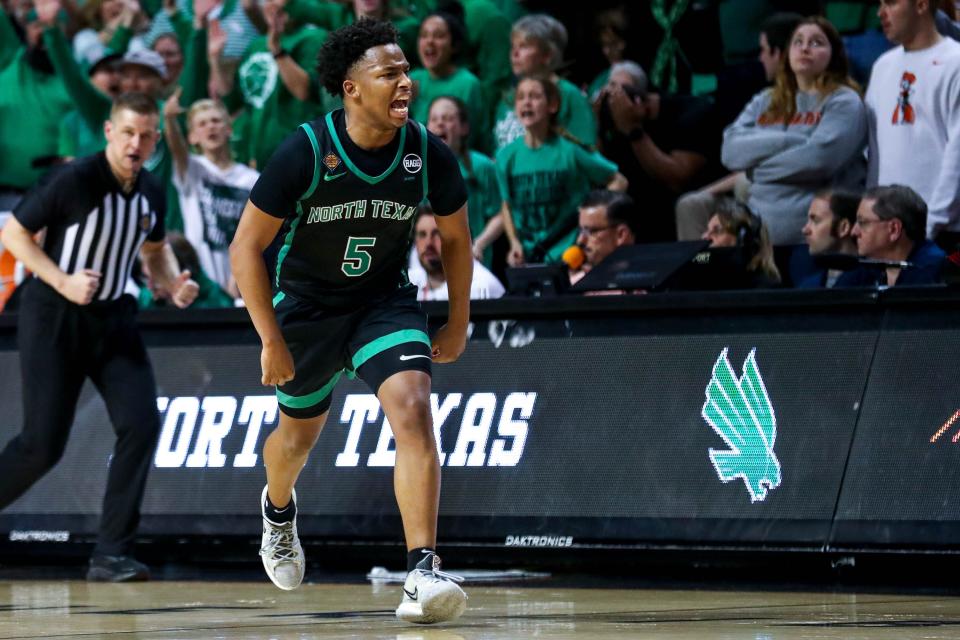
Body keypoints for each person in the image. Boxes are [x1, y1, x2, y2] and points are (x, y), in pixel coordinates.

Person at [229, 19, 472, 624]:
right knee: (294, 443)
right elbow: (245, 249)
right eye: (389, 72)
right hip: (306, 311)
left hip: (381, 303)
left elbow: (457, 240)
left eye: (406, 70)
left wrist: (458, 321)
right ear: (350, 88)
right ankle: (278, 513)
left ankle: (421, 570)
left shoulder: (423, 152)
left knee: (414, 407)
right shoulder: (306, 150)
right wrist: (270, 339)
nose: (405, 82)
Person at [0, 93, 199, 582]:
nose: (137, 143)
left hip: (113, 319)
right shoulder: (75, 179)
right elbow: (15, 235)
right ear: (109, 132)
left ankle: (111, 553)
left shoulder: (152, 190)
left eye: (146, 135)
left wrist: (173, 283)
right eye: (128, 132)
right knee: (41, 446)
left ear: (155, 138)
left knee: (142, 424)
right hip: (54, 316)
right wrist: (64, 280)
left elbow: (154, 250)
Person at [722, 16, 868, 246]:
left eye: (817, 42)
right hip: (759, 237)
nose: (805, 48)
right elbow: (730, 150)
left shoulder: (844, 101)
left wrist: (754, 173)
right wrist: (791, 140)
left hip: (812, 241)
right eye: (797, 42)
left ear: (834, 54)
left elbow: (819, 160)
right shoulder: (766, 100)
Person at [675, 12, 804, 242]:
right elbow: (732, 151)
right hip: (749, 181)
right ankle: (701, 268)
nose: (761, 58)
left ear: (780, 53)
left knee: (746, 185)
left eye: (764, 50)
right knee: (691, 204)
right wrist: (708, 191)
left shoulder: (813, 101)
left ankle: (754, 264)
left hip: (787, 192)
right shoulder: (764, 99)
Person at [498, 73, 627, 267]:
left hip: (569, 256)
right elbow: (506, 205)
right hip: (528, 258)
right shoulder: (505, 156)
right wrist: (514, 242)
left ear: (552, 105)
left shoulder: (570, 150)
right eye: (521, 97)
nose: (527, 102)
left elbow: (619, 181)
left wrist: (592, 216)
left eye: (534, 96)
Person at [865, 0, 960, 249]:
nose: (880, 12)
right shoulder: (881, 66)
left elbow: (958, 153)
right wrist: (871, 214)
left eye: (891, 3)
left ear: (920, 5)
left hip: (943, 232)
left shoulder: (955, 61)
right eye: (880, 3)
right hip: (887, 228)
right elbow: (874, 152)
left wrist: (933, 224)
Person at [597, 59, 721, 243]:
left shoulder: (692, 113)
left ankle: (699, 264)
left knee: (699, 260)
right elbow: (601, 173)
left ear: (639, 98)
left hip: (688, 228)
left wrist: (633, 130)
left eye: (624, 92)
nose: (618, 100)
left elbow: (677, 180)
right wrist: (597, 124)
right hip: (641, 228)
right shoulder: (617, 124)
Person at [164, 92, 260, 299]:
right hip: (201, 285)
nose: (210, 127)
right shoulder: (192, 170)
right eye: (202, 124)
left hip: (242, 282)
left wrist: (239, 276)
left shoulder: (252, 179)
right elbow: (177, 150)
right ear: (192, 137)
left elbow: (256, 233)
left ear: (229, 129)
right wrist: (169, 120)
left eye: (216, 121)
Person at [492, 13, 597, 153]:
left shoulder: (569, 95)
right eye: (513, 46)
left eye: (524, 46)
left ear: (547, 55)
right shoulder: (508, 98)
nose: (514, 53)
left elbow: (587, 152)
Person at [426, 96, 501, 267]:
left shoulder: (482, 166)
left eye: (448, 119)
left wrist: (480, 243)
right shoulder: (418, 168)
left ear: (464, 127)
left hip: (474, 263)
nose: (440, 124)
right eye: (434, 119)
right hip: (431, 266)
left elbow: (501, 214)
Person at [410, 6, 487, 152]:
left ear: (454, 45)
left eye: (438, 36)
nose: (429, 42)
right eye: (423, 35)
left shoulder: (468, 84)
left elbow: (477, 138)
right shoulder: (412, 80)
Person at [837, 184, 946, 287]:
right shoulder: (865, 266)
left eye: (863, 223)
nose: (854, 232)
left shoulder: (934, 272)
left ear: (894, 229)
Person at [410, 204, 504, 300]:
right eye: (422, 234)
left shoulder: (482, 287)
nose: (428, 243)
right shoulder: (408, 283)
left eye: (437, 234)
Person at [701, 197, 782, 287]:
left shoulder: (765, 286)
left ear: (743, 239)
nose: (705, 236)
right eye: (707, 230)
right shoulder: (701, 272)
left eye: (717, 231)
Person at [568, 189, 637, 285]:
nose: (580, 240)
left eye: (591, 231)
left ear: (621, 235)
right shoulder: (574, 285)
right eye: (581, 231)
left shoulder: (648, 288)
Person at [795, 189, 860, 288]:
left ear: (843, 228)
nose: (805, 230)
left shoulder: (870, 283)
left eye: (815, 221)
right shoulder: (807, 286)